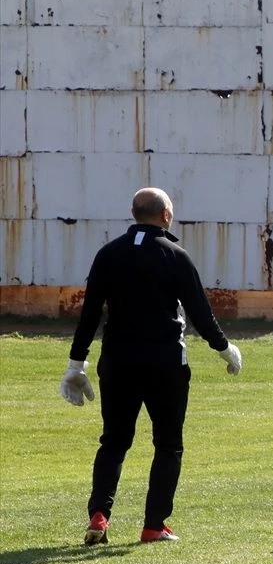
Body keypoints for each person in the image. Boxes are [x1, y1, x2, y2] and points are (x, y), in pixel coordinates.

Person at [59, 187, 243, 545]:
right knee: (168, 444)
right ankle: (153, 525)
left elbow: (90, 314)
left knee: (114, 441)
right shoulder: (175, 254)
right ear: (166, 215)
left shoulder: (108, 254)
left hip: (118, 362)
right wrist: (225, 349)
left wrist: (75, 364)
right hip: (165, 364)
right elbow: (201, 314)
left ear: (132, 212)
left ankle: (99, 514)